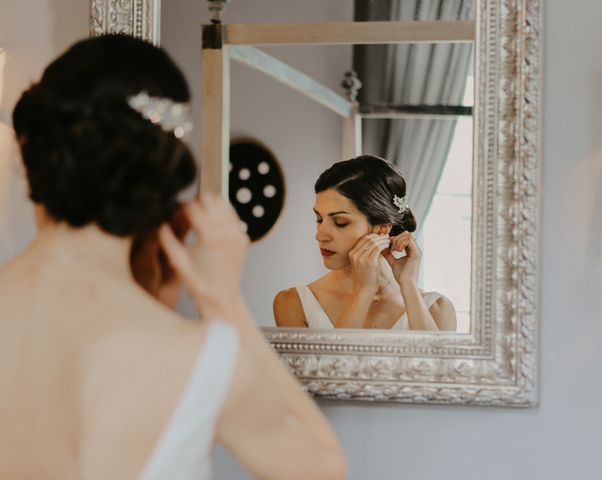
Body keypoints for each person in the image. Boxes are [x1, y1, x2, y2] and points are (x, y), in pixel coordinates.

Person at [0, 34, 346, 479]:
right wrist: (223, 300)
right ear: (161, 184)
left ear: (34, 158)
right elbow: (322, 470)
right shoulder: (195, 356)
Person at [274, 155, 457, 331]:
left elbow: (434, 362)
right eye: (319, 219)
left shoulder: (437, 310)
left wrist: (408, 284)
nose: (320, 235)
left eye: (340, 223)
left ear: (382, 229)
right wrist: (363, 292)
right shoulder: (293, 304)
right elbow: (335, 363)